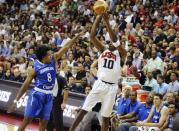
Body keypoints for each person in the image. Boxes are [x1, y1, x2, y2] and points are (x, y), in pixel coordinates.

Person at [7, 31, 84, 131]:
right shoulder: (34, 68)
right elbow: (25, 86)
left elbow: (66, 47)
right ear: (43, 57)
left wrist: (76, 36)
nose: (51, 55)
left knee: (44, 122)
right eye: (49, 54)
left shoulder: (53, 59)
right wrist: (15, 101)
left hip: (49, 96)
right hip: (37, 95)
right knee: (27, 120)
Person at [70, 14, 127, 131]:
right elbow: (92, 36)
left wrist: (107, 22)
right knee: (84, 110)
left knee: (105, 118)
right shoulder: (103, 49)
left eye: (112, 41)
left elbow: (115, 39)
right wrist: (98, 17)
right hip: (100, 84)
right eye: (109, 41)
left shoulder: (122, 53)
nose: (110, 42)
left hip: (112, 88)